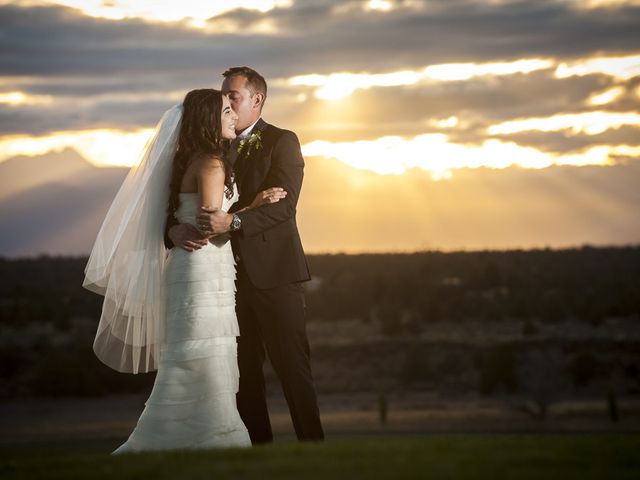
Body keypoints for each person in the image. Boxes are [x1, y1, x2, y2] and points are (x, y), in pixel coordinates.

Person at [83, 88, 285, 453]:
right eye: (225, 111)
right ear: (209, 120)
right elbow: (211, 225)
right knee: (198, 356)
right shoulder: (210, 163)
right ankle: (206, 438)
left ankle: (204, 436)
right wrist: (254, 206)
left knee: (198, 356)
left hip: (203, 270)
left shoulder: (191, 159)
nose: (232, 117)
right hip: (201, 272)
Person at [166, 67, 325, 444]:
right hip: (222, 281)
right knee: (242, 376)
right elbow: (177, 208)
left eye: (233, 97)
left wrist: (233, 224)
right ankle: (258, 452)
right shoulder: (209, 148)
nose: (229, 106)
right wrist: (171, 230)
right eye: (225, 98)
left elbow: (283, 209)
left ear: (257, 100)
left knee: (293, 369)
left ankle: (315, 450)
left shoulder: (282, 142)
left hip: (274, 276)